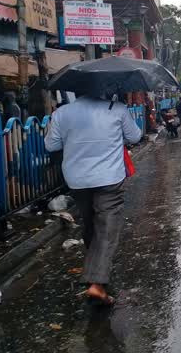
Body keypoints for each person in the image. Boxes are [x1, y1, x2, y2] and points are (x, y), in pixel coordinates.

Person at [44, 93, 142, 305]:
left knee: (90, 225)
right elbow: (135, 137)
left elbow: (51, 146)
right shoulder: (117, 109)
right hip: (109, 178)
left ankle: (96, 272)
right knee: (106, 227)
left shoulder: (61, 113)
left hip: (77, 180)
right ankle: (96, 283)